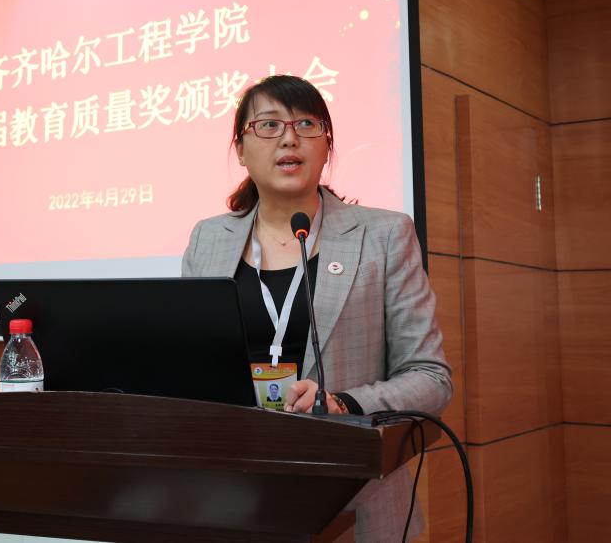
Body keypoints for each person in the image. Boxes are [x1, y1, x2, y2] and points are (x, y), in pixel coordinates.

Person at [181, 75, 451, 542]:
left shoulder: (384, 236)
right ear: (241, 150)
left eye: (306, 124)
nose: (289, 138)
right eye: (268, 125)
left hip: (353, 503)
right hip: (232, 499)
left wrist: (344, 403)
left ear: (327, 146)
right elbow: (188, 367)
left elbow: (430, 377)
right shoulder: (208, 239)